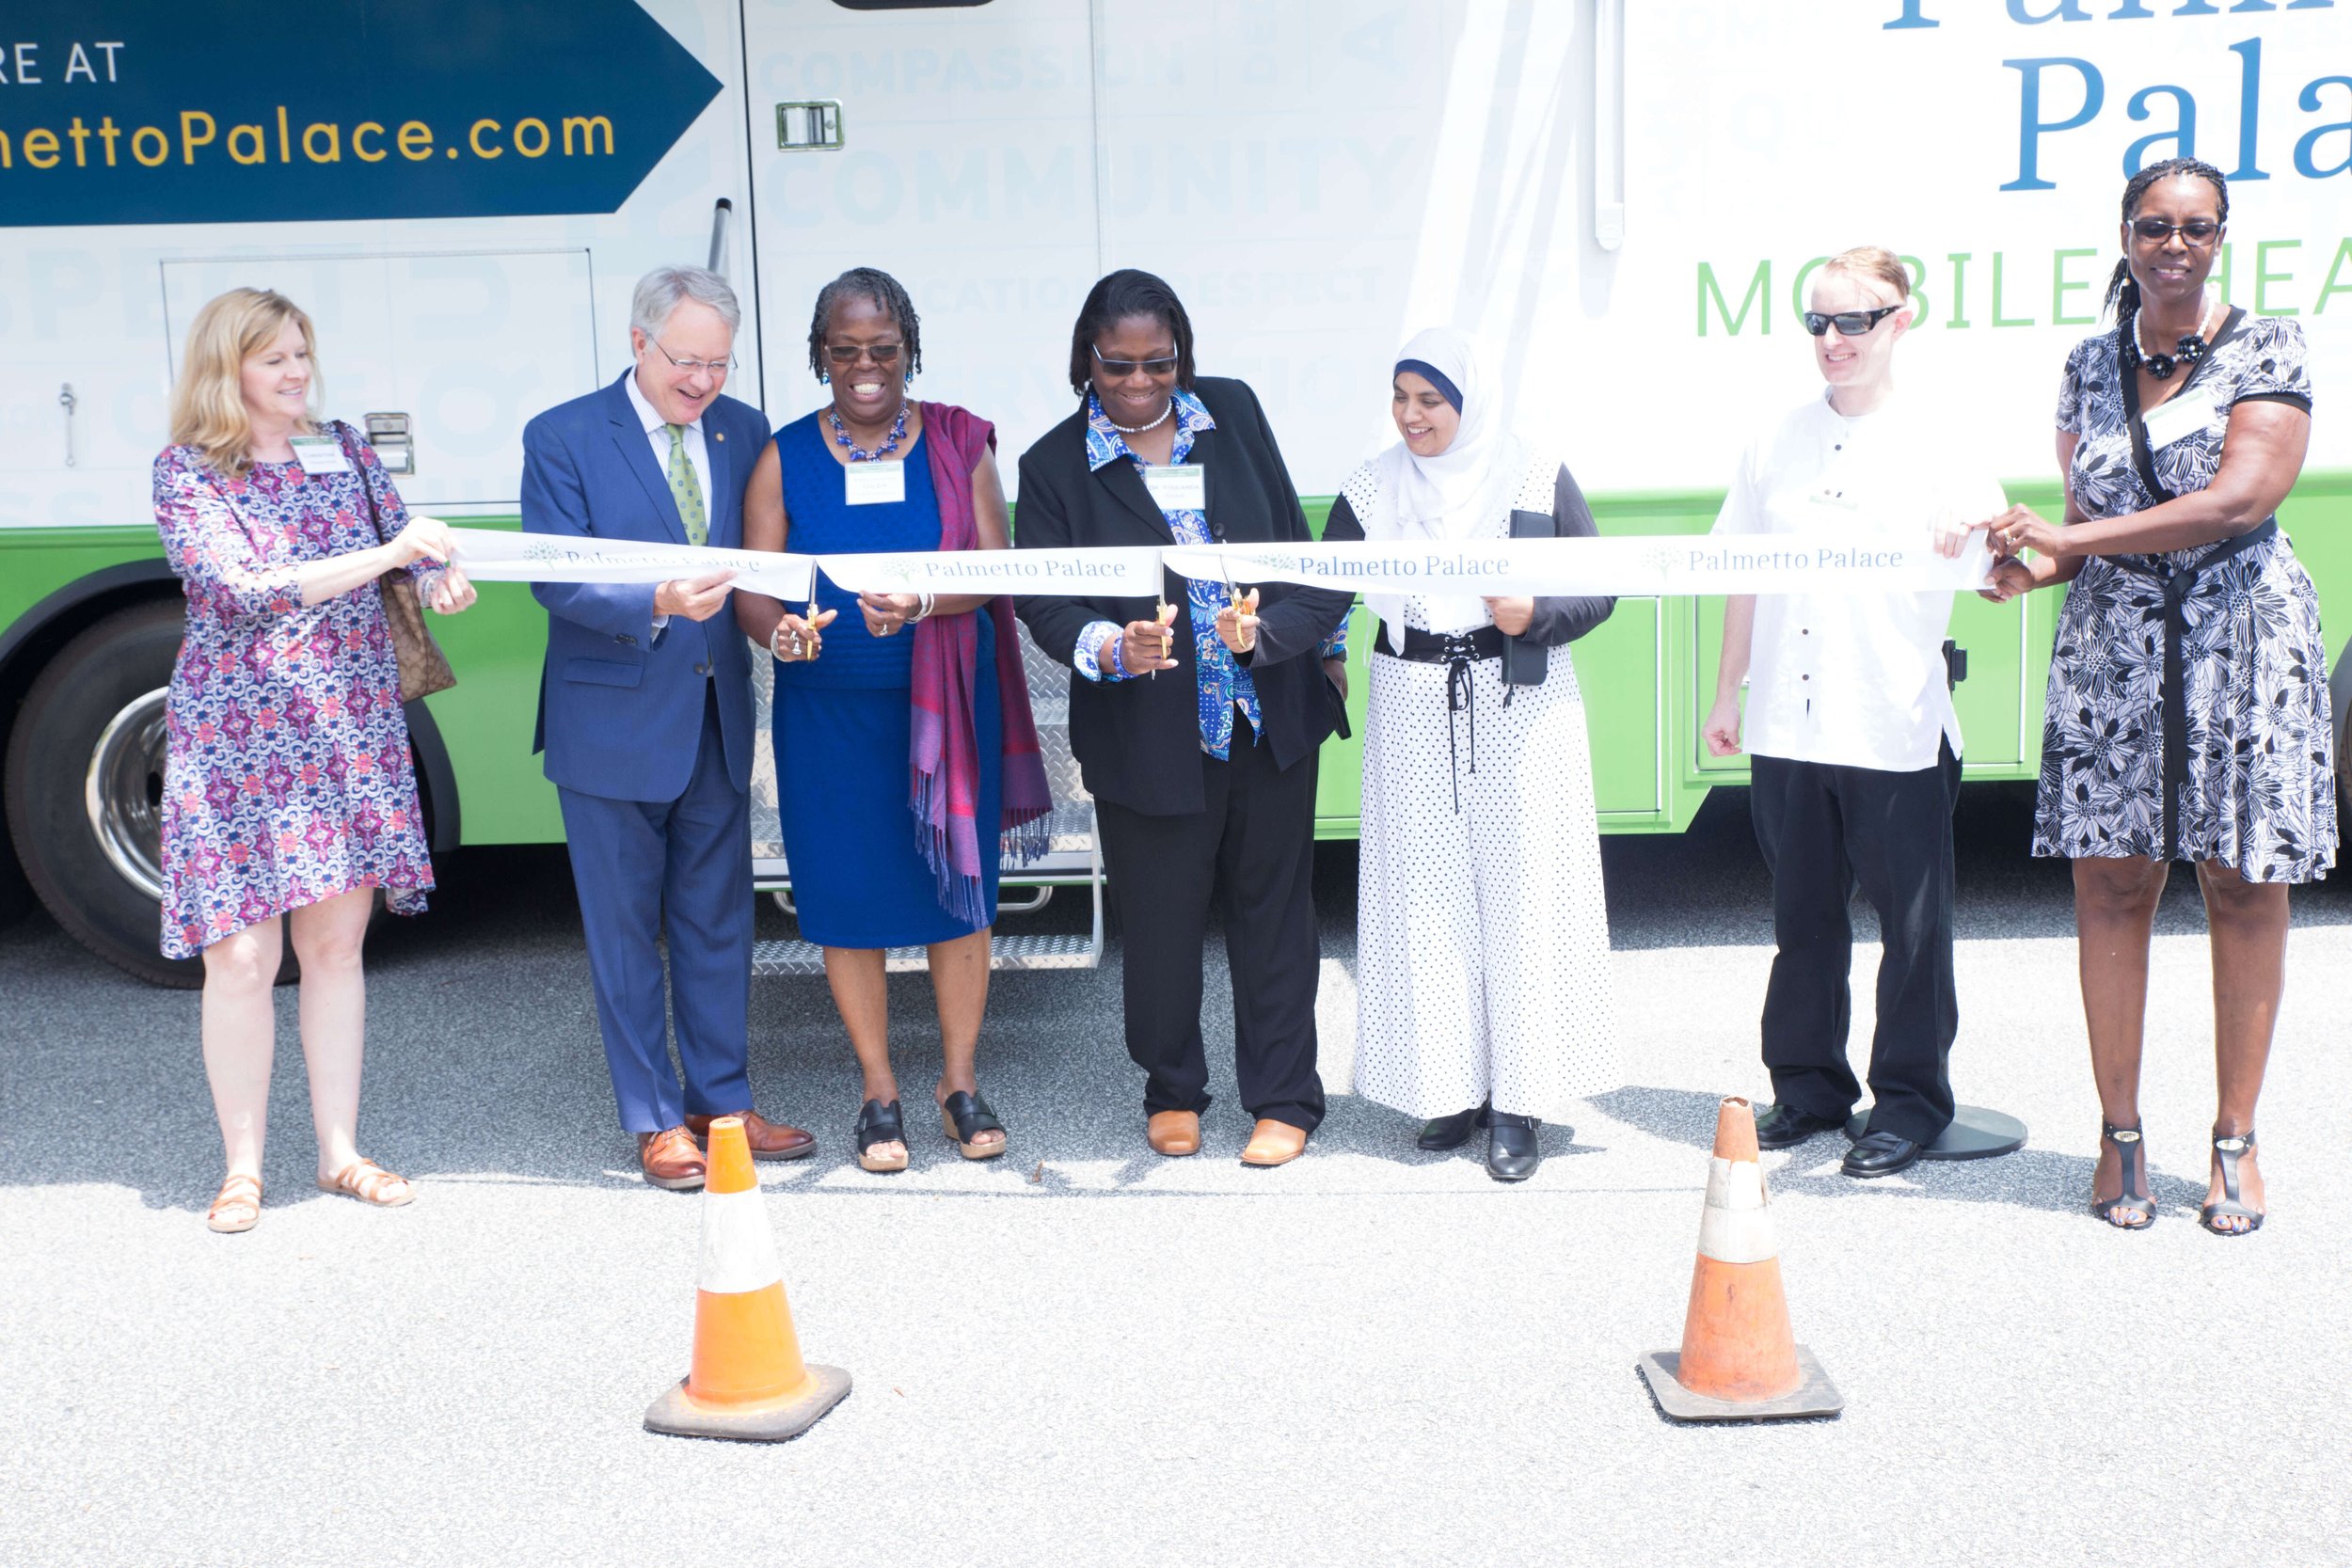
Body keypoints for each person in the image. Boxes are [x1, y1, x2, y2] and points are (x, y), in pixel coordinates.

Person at [1980, 158, 2328, 1234]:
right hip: (2113, 646)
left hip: (2241, 634)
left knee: (2240, 884)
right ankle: (2118, 1131)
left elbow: (2236, 500)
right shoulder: (2087, 364)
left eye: (2196, 227)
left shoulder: (2267, 341)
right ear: (2124, 234)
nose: (2174, 244)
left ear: (2222, 236)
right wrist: (2025, 565)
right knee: (2112, 887)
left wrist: (2070, 535)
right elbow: (2084, 530)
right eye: (2154, 226)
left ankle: (2234, 1139)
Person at [154, 287, 477, 1233]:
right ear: (229, 370)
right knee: (242, 957)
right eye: (274, 359)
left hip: (349, 722)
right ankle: (243, 1167)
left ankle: (339, 1152)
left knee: (335, 947)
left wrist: (437, 569)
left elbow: (406, 544)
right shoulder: (188, 471)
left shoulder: (344, 446)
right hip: (237, 737)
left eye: (301, 353)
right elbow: (244, 588)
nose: (297, 373)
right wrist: (390, 556)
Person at [1013, 269, 1354, 1167]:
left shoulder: (1232, 414)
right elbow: (1041, 602)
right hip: (1148, 732)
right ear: (1086, 358)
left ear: (1182, 355)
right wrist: (1108, 648)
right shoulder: (1052, 467)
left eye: (1157, 363)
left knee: (1275, 915)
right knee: (1161, 921)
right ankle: (1172, 1087)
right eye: (1116, 364)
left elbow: (1291, 540)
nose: (1137, 383)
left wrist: (1313, 643)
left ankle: (1284, 1096)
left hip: (1264, 713)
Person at [735, 267, 1053, 1174]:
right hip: (827, 717)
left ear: (909, 349)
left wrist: (919, 604)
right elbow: (756, 590)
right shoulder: (783, 454)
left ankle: (960, 1083)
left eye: (884, 349)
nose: (866, 366)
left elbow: (998, 571)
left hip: (948, 705)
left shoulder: (959, 441)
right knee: (844, 899)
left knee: (958, 891)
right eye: (846, 350)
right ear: (819, 356)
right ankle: (879, 1091)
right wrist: (783, 635)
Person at [1282, 327, 1619, 1181]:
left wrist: (1533, 613)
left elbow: (1600, 584)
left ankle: (1519, 1101)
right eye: (1400, 397)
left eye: (1430, 400)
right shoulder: (1373, 484)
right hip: (1410, 699)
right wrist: (1252, 639)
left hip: (1518, 701)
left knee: (1518, 895)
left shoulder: (1533, 472)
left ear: (1467, 402)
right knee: (1427, 895)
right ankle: (1450, 1088)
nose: (1411, 416)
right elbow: (1324, 595)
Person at [1701, 246, 1999, 1180]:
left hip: (1892, 720)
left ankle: (1906, 1101)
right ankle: (1809, 1084)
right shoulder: (1774, 440)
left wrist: (1975, 531)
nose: (1833, 340)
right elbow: (1741, 576)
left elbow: (2001, 560)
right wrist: (1726, 692)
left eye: (1852, 321)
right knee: (1803, 919)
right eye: (1818, 323)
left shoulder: (1940, 440)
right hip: (1787, 725)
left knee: (1911, 931)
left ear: (1898, 322)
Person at [521, 264, 814, 1191]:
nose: (703, 383)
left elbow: (765, 556)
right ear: (639, 343)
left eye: (719, 365)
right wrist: (654, 598)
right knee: (622, 933)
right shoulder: (563, 435)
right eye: (686, 361)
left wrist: (791, 617)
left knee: (718, 923)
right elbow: (554, 577)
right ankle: (653, 1119)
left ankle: (721, 1102)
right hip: (608, 723)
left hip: (716, 716)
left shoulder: (744, 430)